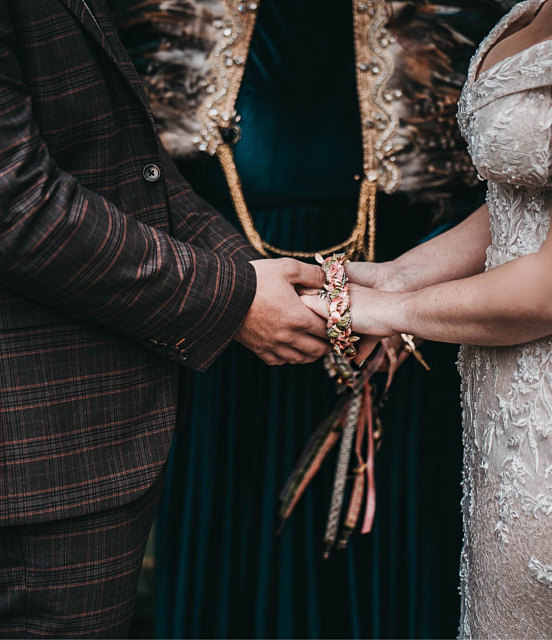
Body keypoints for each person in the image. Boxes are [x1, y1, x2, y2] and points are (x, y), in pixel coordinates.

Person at [108, 0, 512, 637]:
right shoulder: (157, 19)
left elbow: (499, 182)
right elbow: (135, 177)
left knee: (392, 545)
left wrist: (417, 301)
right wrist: (220, 292)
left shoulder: (461, 16)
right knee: (234, 545)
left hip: (407, 335)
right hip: (225, 337)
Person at [302, 0, 552, 637]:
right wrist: (403, 273)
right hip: (510, 409)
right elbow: (536, 187)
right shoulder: (541, 7)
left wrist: (390, 310)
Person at [0, 1, 329, 637]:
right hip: (34, 459)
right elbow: (17, 205)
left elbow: (125, 164)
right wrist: (232, 299)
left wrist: (251, 270)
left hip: (76, 445)